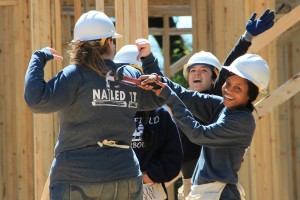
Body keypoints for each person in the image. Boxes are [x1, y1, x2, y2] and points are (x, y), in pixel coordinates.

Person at [134, 8, 275, 199]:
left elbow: (198, 134)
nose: (229, 90)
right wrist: (151, 66)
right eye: (228, 84)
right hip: (201, 190)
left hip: (216, 193)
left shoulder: (241, 121)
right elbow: (184, 94)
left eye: (238, 89)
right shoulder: (221, 105)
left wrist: (167, 94)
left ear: (252, 95)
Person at [24, 10, 166, 200]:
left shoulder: (74, 75)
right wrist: (149, 60)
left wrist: (38, 58)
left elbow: (36, 101)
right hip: (125, 177)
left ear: (77, 46)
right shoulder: (128, 76)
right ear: (109, 41)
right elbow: (159, 96)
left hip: (77, 179)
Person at [114, 44, 183, 200]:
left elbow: (173, 159)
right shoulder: (110, 111)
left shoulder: (161, 115)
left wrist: (147, 177)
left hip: (150, 190)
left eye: (131, 77)